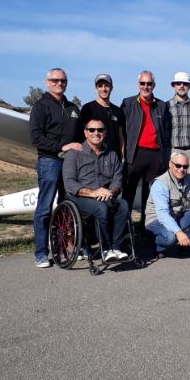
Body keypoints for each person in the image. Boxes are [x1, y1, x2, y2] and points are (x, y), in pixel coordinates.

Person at [29, 68, 82, 268]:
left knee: (68, 205)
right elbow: (36, 138)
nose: (59, 83)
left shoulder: (72, 107)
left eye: (63, 80)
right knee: (44, 209)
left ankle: (66, 248)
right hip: (49, 162)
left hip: (70, 164)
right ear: (47, 82)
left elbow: (79, 137)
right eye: (55, 80)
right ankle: (41, 253)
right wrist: (62, 146)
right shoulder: (40, 106)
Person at [62, 119, 129, 261]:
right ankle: (105, 248)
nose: (96, 133)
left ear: (105, 133)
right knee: (100, 208)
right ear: (86, 133)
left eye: (100, 130)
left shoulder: (111, 154)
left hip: (105, 196)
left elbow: (117, 178)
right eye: (92, 130)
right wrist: (93, 193)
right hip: (80, 197)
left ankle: (116, 248)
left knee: (123, 205)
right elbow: (69, 183)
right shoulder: (74, 153)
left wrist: (111, 192)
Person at [120, 70, 171, 226]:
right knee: (128, 192)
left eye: (149, 84)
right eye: (143, 83)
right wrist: (123, 152)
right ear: (138, 85)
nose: (146, 86)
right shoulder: (128, 103)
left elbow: (167, 133)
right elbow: (120, 129)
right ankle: (124, 227)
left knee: (149, 195)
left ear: (154, 85)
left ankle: (146, 227)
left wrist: (165, 158)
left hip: (155, 156)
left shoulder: (162, 106)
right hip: (135, 154)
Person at [78, 73, 125, 158]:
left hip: (114, 158)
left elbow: (121, 136)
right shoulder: (88, 108)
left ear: (111, 88)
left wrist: (122, 156)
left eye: (106, 85)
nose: (103, 89)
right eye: (100, 86)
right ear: (96, 88)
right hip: (93, 157)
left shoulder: (118, 111)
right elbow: (83, 134)